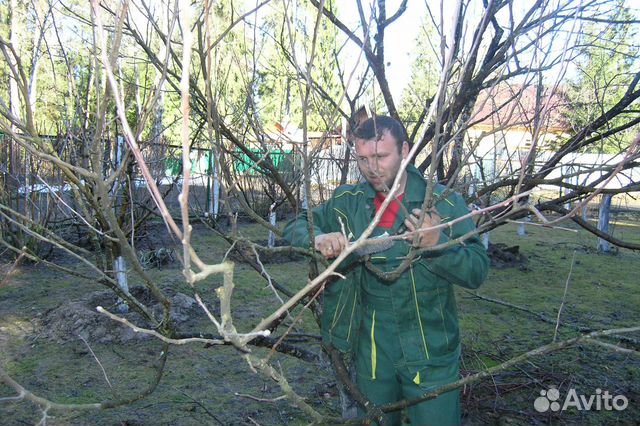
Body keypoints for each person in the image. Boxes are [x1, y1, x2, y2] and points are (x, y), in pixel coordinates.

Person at [284, 115, 489, 425]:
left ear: (405, 150)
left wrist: (439, 242)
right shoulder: (347, 202)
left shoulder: (443, 203)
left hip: (431, 344)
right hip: (372, 348)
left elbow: (477, 270)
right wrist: (319, 237)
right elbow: (296, 224)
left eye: (380, 156)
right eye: (363, 159)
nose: (372, 168)